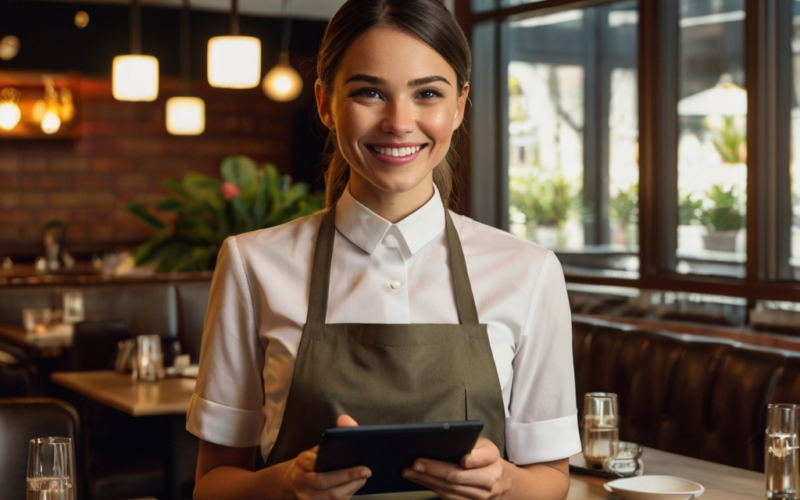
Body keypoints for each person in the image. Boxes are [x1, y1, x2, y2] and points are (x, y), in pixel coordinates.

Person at [188, 1, 581, 499]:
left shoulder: (530, 272)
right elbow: (213, 486)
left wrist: (503, 481)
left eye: (428, 94)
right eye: (370, 92)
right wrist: (286, 483)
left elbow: (551, 482)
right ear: (326, 103)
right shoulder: (252, 265)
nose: (399, 122)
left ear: (458, 106)